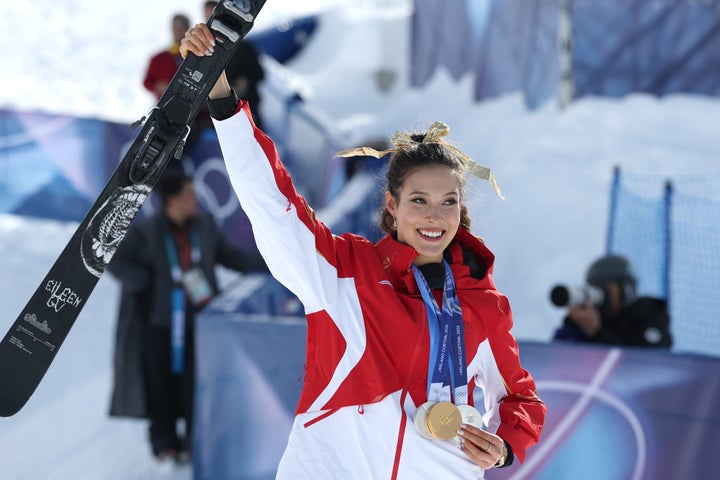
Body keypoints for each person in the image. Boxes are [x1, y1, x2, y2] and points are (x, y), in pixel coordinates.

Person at [181, 25, 546, 479]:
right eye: (419, 201)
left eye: (448, 202)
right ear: (392, 205)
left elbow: (522, 399)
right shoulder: (342, 272)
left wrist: (506, 446)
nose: (435, 217)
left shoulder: (483, 306)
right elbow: (274, 206)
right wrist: (221, 99)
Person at [107, 171, 266, 463]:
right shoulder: (147, 232)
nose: (196, 200)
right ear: (172, 200)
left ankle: (196, 441)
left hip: (201, 325)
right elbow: (115, 261)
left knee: (198, 386)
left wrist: (271, 263)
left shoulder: (206, 227)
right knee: (160, 385)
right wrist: (145, 281)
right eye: (189, 195)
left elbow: (233, 257)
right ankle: (165, 442)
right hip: (159, 324)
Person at [553, 254, 673, 348]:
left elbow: (643, 365)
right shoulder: (583, 321)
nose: (598, 293)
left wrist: (596, 332)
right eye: (593, 287)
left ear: (626, 290)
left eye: (605, 287)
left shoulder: (648, 316)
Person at [203, 1, 266, 130]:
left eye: (213, 14)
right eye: (208, 16)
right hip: (219, 115)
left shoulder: (244, 47)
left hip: (248, 107)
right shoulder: (203, 50)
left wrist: (246, 81)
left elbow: (259, 73)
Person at [143, 14, 190, 101]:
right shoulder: (158, 58)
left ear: (187, 28)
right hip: (165, 107)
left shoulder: (195, 56)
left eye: (180, 26)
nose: (176, 30)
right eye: (174, 26)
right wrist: (158, 86)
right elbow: (147, 82)